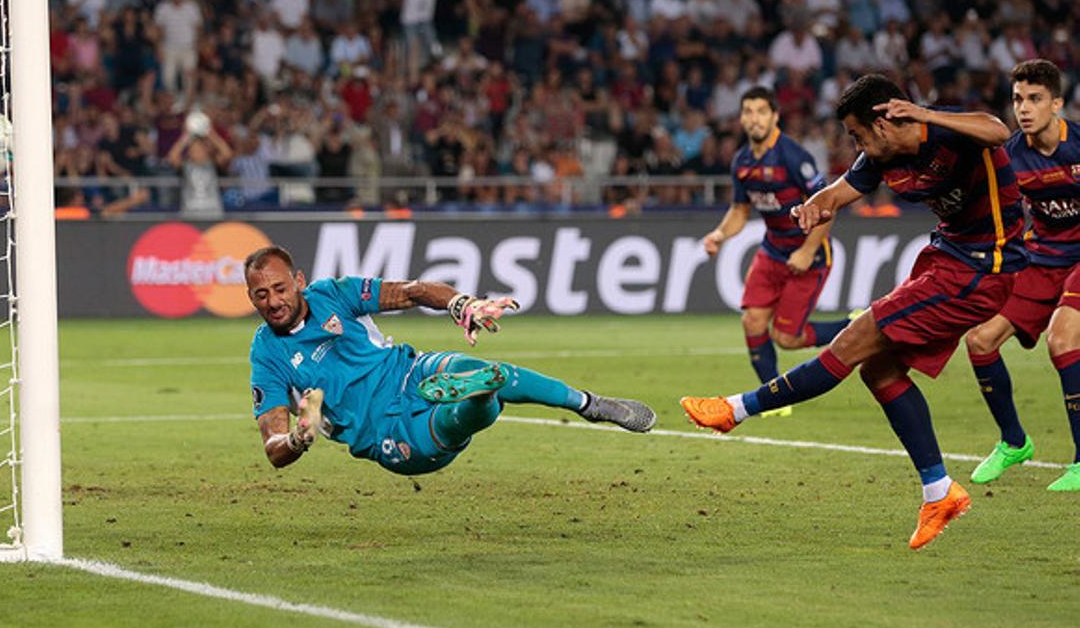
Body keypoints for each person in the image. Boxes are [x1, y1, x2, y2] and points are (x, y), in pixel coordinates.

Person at [682, 74, 1025, 550]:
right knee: (879, 371)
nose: (855, 144)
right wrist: (815, 206)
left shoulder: (946, 129)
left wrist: (923, 112)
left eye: (858, 134)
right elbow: (842, 190)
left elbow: (997, 130)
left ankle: (735, 410)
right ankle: (939, 491)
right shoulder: (880, 157)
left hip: (985, 267)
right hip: (948, 258)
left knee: (852, 344)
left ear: (885, 123)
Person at [245, 247, 656, 476]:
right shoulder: (266, 354)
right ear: (251, 299)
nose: (274, 302)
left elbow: (412, 291)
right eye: (261, 296)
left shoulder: (331, 294)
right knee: (479, 405)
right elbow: (273, 448)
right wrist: (298, 438)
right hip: (386, 430)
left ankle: (590, 405)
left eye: (279, 289)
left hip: (408, 372)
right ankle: (476, 399)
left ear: (298, 281)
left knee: (481, 373)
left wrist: (463, 303)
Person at [963, 60, 1080, 491]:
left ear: (1057, 103)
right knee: (980, 341)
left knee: (1063, 339)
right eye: (1017, 100)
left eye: (1034, 99)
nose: (1024, 109)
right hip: (1042, 259)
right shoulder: (1009, 156)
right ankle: (1014, 442)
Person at [702, 87, 851, 389]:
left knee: (787, 338)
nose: (754, 118)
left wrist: (808, 250)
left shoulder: (793, 157)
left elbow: (827, 205)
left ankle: (854, 326)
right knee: (752, 321)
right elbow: (740, 211)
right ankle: (772, 397)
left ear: (774, 116)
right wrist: (719, 234)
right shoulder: (742, 161)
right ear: (741, 118)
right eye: (748, 112)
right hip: (772, 251)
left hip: (808, 255)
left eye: (760, 111)